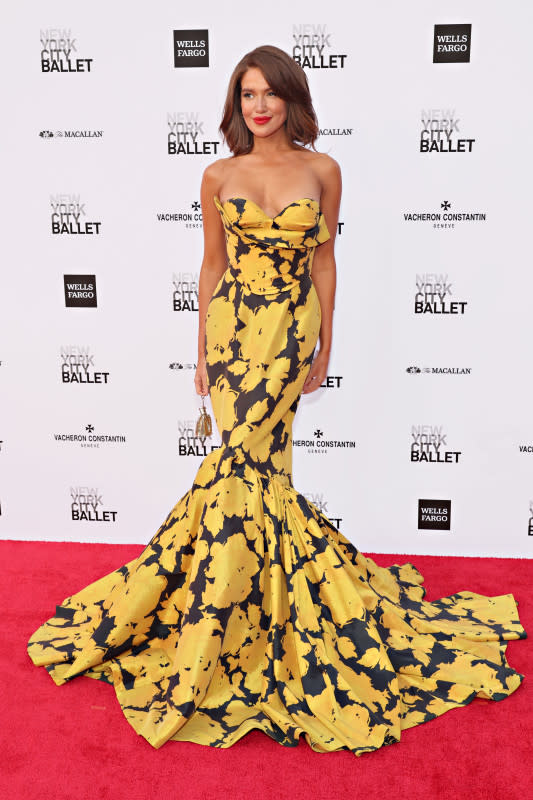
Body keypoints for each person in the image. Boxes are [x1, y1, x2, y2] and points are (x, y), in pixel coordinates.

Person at [27, 45, 526, 755]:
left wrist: (325, 346)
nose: (257, 105)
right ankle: (248, 614)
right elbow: (210, 265)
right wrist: (200, 351)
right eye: (246, 94)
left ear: (292, 99)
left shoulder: (322, 170)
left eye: (269, 93)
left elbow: (324, 259)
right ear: (236, 105)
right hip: (232, 336)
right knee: (244, 473)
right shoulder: (217, 174)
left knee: (250, 475)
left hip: (290, 331)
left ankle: (235, 618)